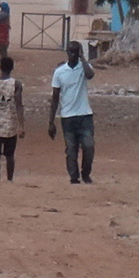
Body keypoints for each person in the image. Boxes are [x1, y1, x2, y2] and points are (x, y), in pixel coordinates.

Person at [49, 40, 96, 184]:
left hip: (85, 114)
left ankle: (86, 173)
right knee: (71, 149)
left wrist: (83, 58)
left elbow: (90, 75)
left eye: (77, 52)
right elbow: (55, 97)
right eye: (72, 52)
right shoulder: (59, 72)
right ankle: (74, 177)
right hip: (67, 116)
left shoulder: (84, 67)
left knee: (89, 146)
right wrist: (51, 122)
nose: (74, 55)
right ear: (67, 52)